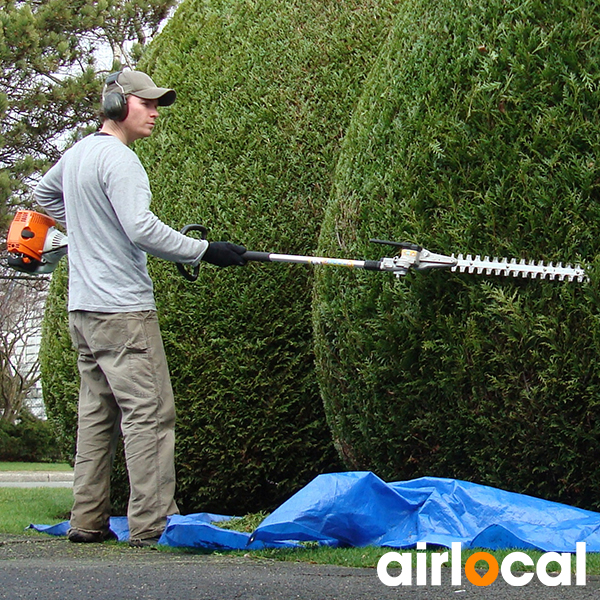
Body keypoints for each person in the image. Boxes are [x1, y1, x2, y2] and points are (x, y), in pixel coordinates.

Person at [34, 69, 247, 547]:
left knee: (96, 415)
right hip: (123, 312)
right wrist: (204, 250)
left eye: (157, 105)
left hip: (83, 313)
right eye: (145, 103)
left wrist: (89, 228)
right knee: (149, 413)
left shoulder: (78, 154)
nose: (154, 113)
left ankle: (86, 521)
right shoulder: (120, 159)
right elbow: (141, 229)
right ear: (116, 104)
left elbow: (43, 196)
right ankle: (152, 525)